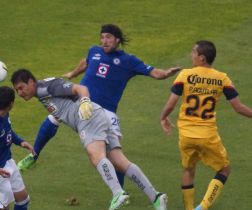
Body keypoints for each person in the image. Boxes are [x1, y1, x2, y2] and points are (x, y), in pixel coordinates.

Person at [17, 23, 180, 190]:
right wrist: (73, 73)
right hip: (79, 103)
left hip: (106, 112)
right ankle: (34, 155)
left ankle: (120, 191)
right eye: (102, 37)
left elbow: (154, 72)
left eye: (108, 37)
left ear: (117, 40)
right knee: (54, 116)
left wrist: (166, 73)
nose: (104, 41)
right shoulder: (94, 51)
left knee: (115, 155)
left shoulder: (129, 61)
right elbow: (86, 62)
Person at [11, 69, 168, 210]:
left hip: (87, 118)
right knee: (119, 161)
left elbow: (81, 88)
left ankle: (118, 193)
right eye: (16, 90)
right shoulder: (42, 93)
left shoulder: (47, 87)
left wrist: (85, 101)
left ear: (31, 82)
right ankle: (156, 197)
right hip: (98, 116)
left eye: (21, 88)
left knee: (96, 157)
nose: (20, 93)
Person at [160, 40, 252, 210]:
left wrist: (163, 118)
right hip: (207, 135)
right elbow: (238, 107)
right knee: (224, 169)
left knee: (188, 170)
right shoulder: (222, 79)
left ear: (202, 58)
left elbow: (171, 103)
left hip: (187, 135)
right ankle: (203, 208)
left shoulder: (185, 75)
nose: (191, 55)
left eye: (193, 52)